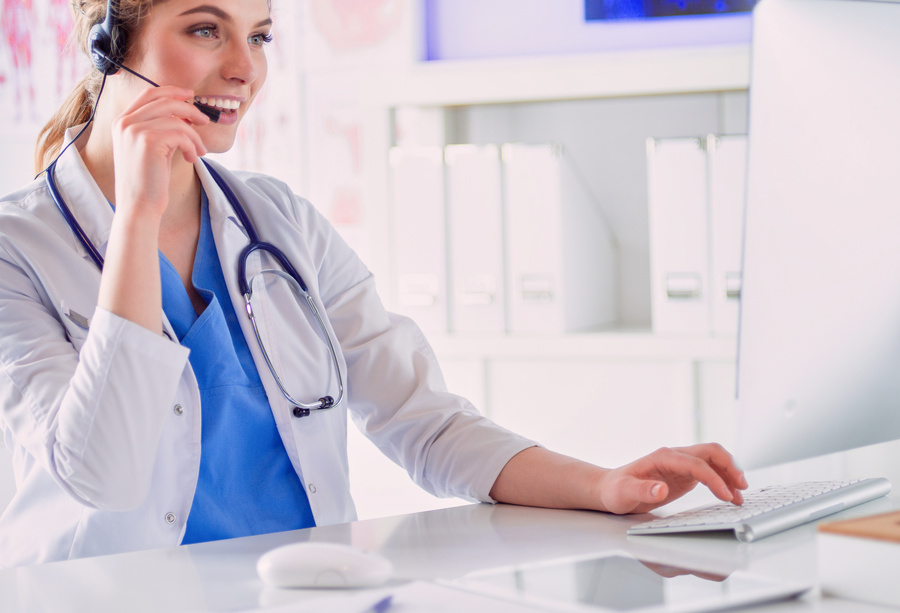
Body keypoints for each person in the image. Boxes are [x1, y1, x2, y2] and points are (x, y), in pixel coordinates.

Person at [0, 0, 747, 569]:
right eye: (206, 30)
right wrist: (137, 217)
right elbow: (101, 473)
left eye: (259, 36)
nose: (244, 69)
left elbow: (425, 418)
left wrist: (605, 485)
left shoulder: (279, 222)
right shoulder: (15, 250)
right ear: (109, 46)